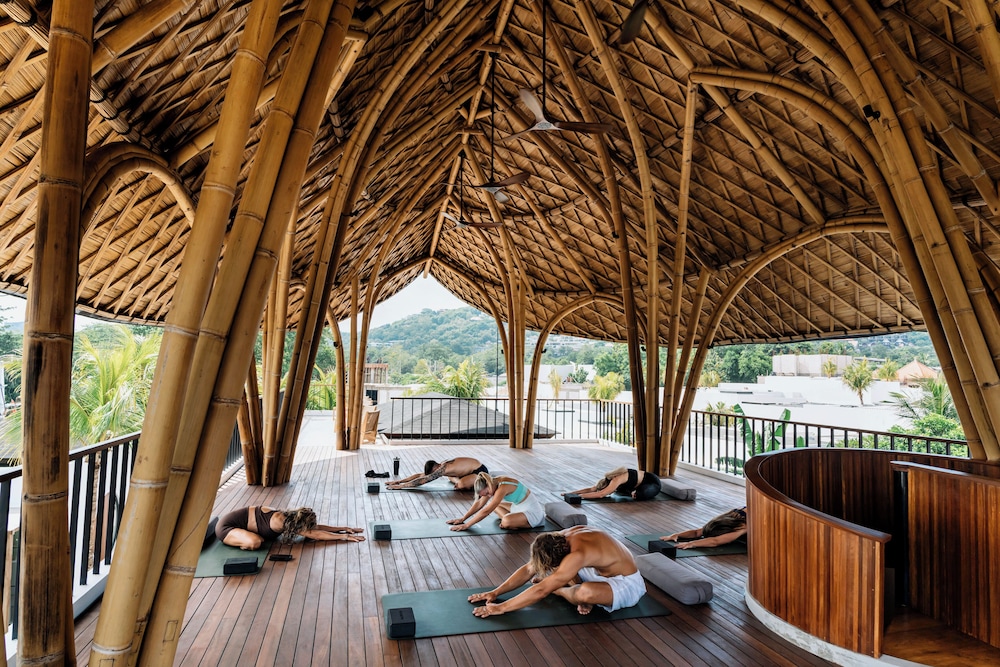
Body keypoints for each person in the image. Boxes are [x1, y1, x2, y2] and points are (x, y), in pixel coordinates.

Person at [468, 526, 645, 616]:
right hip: (595, 570)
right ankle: (561, 582)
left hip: (625, 583)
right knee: (554, 568)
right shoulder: (559, 539)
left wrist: (501, 608)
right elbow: (530, 568)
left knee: (584, 593)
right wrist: (495, 592)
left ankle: (559, 589)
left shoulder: (577, 554)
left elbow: (541, 591)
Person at [215, 506, 365, 550]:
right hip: (226, 528)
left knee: (259, 539)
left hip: (240, 524)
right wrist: (344, 537)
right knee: (255, 542)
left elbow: (315, 529)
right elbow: (316, 534)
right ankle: (244, 541)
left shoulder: (289, 517)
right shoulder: (282, 522)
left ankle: (248, 535)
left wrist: (344, 528)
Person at [447, 472, 544, 531]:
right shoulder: (492, 483)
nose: (489, 496)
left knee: (506, 521)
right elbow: (480, 503)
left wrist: (467, 525)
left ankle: (512, 522)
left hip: (532, 512)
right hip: (518, 507)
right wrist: (462, 519)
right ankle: (513, 521)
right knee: (495, 506)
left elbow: (486, 511)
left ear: (488, 484)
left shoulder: (503, 487)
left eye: (487, 493)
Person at [659, 506, 747, 549]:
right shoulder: (727, 519)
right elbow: (697, 532)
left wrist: (691, 544)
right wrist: (677, 535)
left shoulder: (741, 526)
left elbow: (715, 541)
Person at [385, 457, 488, 490]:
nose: (436, 474)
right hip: (463, 473)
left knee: (461, 485)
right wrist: (399, 481)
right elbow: (421, 476)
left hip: (479, 471)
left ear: (437, 466)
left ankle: (462, 481)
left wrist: (401, 487)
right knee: (450, 477)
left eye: (435, 472)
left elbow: (424, 480)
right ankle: (459, 480)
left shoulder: (444, 468)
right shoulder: (439, 467)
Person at [564, 466, 662, 500]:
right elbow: (591, 489)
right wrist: (571, 493)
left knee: (639, 495)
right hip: (637, 484)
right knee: (623, 492)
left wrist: (580, 496)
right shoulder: (606, 480)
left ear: (606, 486)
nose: (609, 493)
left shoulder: (615, 480)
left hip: (651, 481)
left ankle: (636, 492)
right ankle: (634, 491)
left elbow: (601, 494)